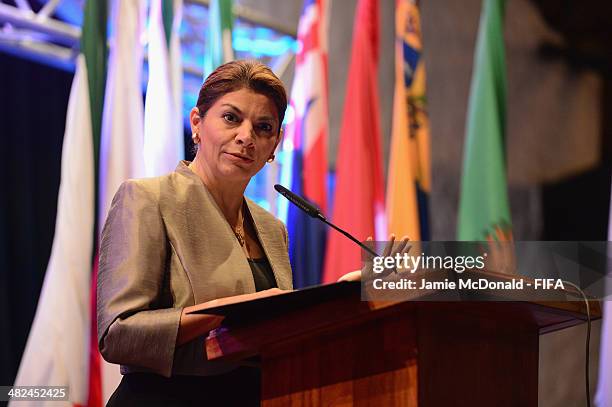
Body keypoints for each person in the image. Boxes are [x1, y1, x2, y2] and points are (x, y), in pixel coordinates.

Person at [97, 60, 293, 406]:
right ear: (197, 124)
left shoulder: (272, 228)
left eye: (263, 127)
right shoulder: (147, 198)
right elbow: (118, 335)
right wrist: (225, 311)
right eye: (231, 118)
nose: (246, 137)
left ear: (275, 143)